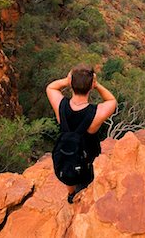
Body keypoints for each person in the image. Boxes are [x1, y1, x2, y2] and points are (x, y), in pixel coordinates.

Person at [46, 63, 117, 204]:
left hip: (66, 152)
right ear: (91, 86)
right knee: (84, 173)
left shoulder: (60, 105)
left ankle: (71, 194)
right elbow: (111, 100)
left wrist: (67, 81)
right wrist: (96, 85)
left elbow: (51, 87)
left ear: (71, 84)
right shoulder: (96, 113)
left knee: (68, 164)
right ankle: (86, 193)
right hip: (86, 159)